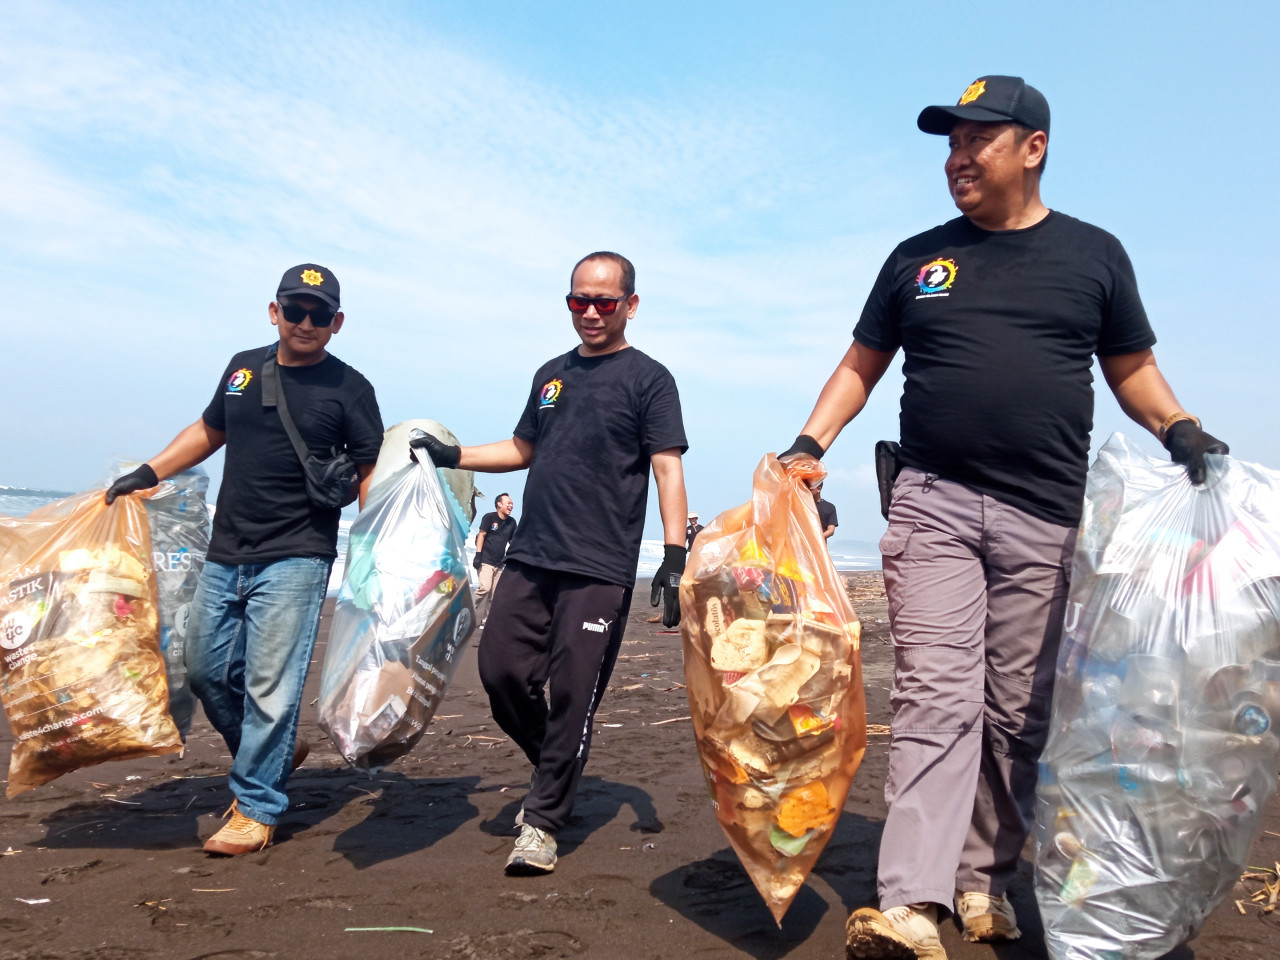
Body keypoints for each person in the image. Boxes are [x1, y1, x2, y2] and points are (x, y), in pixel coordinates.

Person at [779, 77, 1228, 960]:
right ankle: (913, 903)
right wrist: (806, 441)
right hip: (933, 501)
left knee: (1019, 712)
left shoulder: (1093, 255)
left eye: (977, 140)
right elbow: (861, 366)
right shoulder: (917, 258)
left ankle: (982, 879)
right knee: (938, 697)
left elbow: (1131, 370)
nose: (956, 157)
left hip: (1047, 516)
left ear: (1033, 148)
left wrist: (1179, 428)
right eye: (950, 142)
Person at [410, 251, 688, 876]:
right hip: (533, 555)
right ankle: (557, 768)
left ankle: (542, 822)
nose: (590, 312)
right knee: (500, 673)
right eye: (577, 301)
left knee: (572, 695)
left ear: (630, 306)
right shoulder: (551, 375)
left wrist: (675, 556)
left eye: (604, 302)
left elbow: (667, 467)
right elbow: (522, 448)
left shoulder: (649, 379)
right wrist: (453, 453)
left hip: (600, 567)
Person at [106, 264, 383, 856]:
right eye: (294, 309)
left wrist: (367, 547)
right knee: (205, 668)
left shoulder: (350, 387)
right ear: (274, 310)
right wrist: (148, 473)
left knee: (270, 687)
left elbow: (368, 471)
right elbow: (209, 431)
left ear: (336, 323)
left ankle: (257, 806)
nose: (304, 322)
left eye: (318, 314)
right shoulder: (242, 368)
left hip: (299, 556)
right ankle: (278, 753)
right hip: (226, 548)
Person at [473, 493, 517, 626]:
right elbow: (481, 535)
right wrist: (478, 555)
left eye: (512, 504)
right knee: (484, 588)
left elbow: (513, 542)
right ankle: (466, 610)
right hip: (485, 560)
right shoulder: (489, 517)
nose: (511, 506)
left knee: (494, 594)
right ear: (499, 504)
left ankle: (487, 621)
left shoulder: (512, 522)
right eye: (508, 503)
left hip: (499, 563)